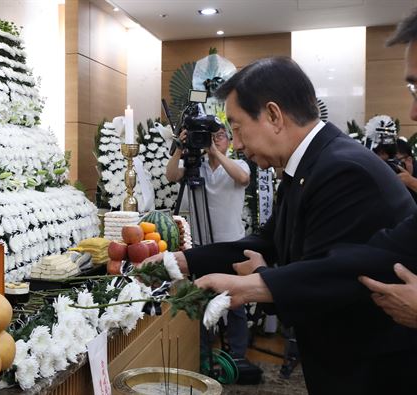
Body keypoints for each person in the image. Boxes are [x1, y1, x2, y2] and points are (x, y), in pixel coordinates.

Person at [143, 56, 417, 394]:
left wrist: (259, 284)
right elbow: (267, 241)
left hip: (371, 369)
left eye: (239, 128)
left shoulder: (342, 169)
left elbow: (334, 274)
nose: (238, 144)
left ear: (273, 116)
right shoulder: (313, 163)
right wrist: (182, 261)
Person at [166, 127, 252, 365]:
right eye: (210, 136)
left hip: (232, 245)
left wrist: (214, 151)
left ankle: (238, 358)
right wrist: (180, 149)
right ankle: (202, 356)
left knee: (235, 302)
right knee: (201, 300)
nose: (214, 140)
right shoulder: (196, 168)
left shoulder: (238, 165)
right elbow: (171, 176)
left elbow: (243, 179)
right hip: (202, 246)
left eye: (220, 136)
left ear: (230, 142)